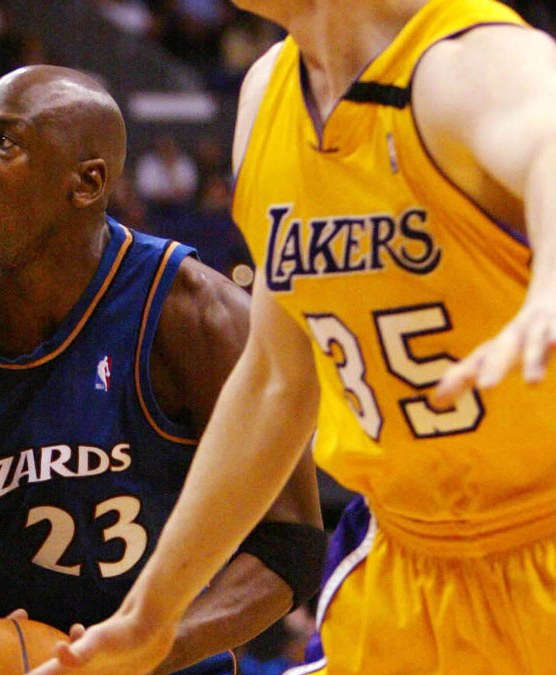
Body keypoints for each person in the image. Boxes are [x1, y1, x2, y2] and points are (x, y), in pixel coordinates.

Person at [30, 1, 556, 673]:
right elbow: (278, 381)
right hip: (404, 569)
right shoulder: (268, 95)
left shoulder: (467, 60)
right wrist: (150, 612)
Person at [0, 64, 326, 675]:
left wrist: (153, 645)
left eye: (5, 141)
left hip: (142, 640)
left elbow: (289, 543)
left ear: (87, 182)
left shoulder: (198, 320)